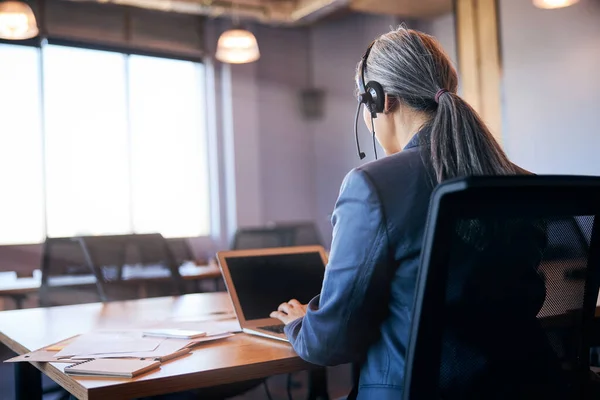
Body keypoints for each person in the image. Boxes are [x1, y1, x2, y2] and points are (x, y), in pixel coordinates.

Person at [269, 26, 565, 399]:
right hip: (526, 387)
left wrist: (300, 324)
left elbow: (330, 343)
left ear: (381, 99)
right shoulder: (519, 180)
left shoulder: (372, 185)